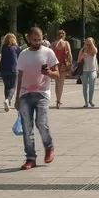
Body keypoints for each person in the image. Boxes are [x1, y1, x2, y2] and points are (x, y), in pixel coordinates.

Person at [15, 27, 59, 170]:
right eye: (34, 40)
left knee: (41, 122)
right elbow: (20, 76)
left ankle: (49, 146)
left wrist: (49, 73)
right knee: (27, 127)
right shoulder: (23, 54)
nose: (37, 42)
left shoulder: (48, 52)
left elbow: (57, 74)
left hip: (42, 93)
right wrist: (17, 97)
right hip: (25, 94)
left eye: (39, 39)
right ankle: (30, 158)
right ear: (29, 39)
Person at [0, 33, 20, 112]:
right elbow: (19, 57)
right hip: (13, 69)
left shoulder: (3, 48)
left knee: (6, 86)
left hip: (3, 69)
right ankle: (8, 100)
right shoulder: (16, 48)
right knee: (13, 87)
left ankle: (7, 102)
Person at [51, 30, 72, 109]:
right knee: (61, 84)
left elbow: (50, 55)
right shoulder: (66, 43)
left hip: (55, 65)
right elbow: (69, 54)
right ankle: (58, 100)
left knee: (57, 84)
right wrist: (70, 64)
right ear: (64, 36)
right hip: (63, 65)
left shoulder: (53, 44)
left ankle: (57, 100)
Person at [77, 38, 98, 107]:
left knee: (92, 84)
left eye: (89, 43)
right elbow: (78, 61)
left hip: (92, 70)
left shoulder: (94, 49)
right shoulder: (82, 50)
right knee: (85, 86)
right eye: (86, 43)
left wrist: (91, 45)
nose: (88, 45)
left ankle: (90, 100)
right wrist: (82, 56)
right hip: (84, 70)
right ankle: (86, 102)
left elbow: (95, 51)